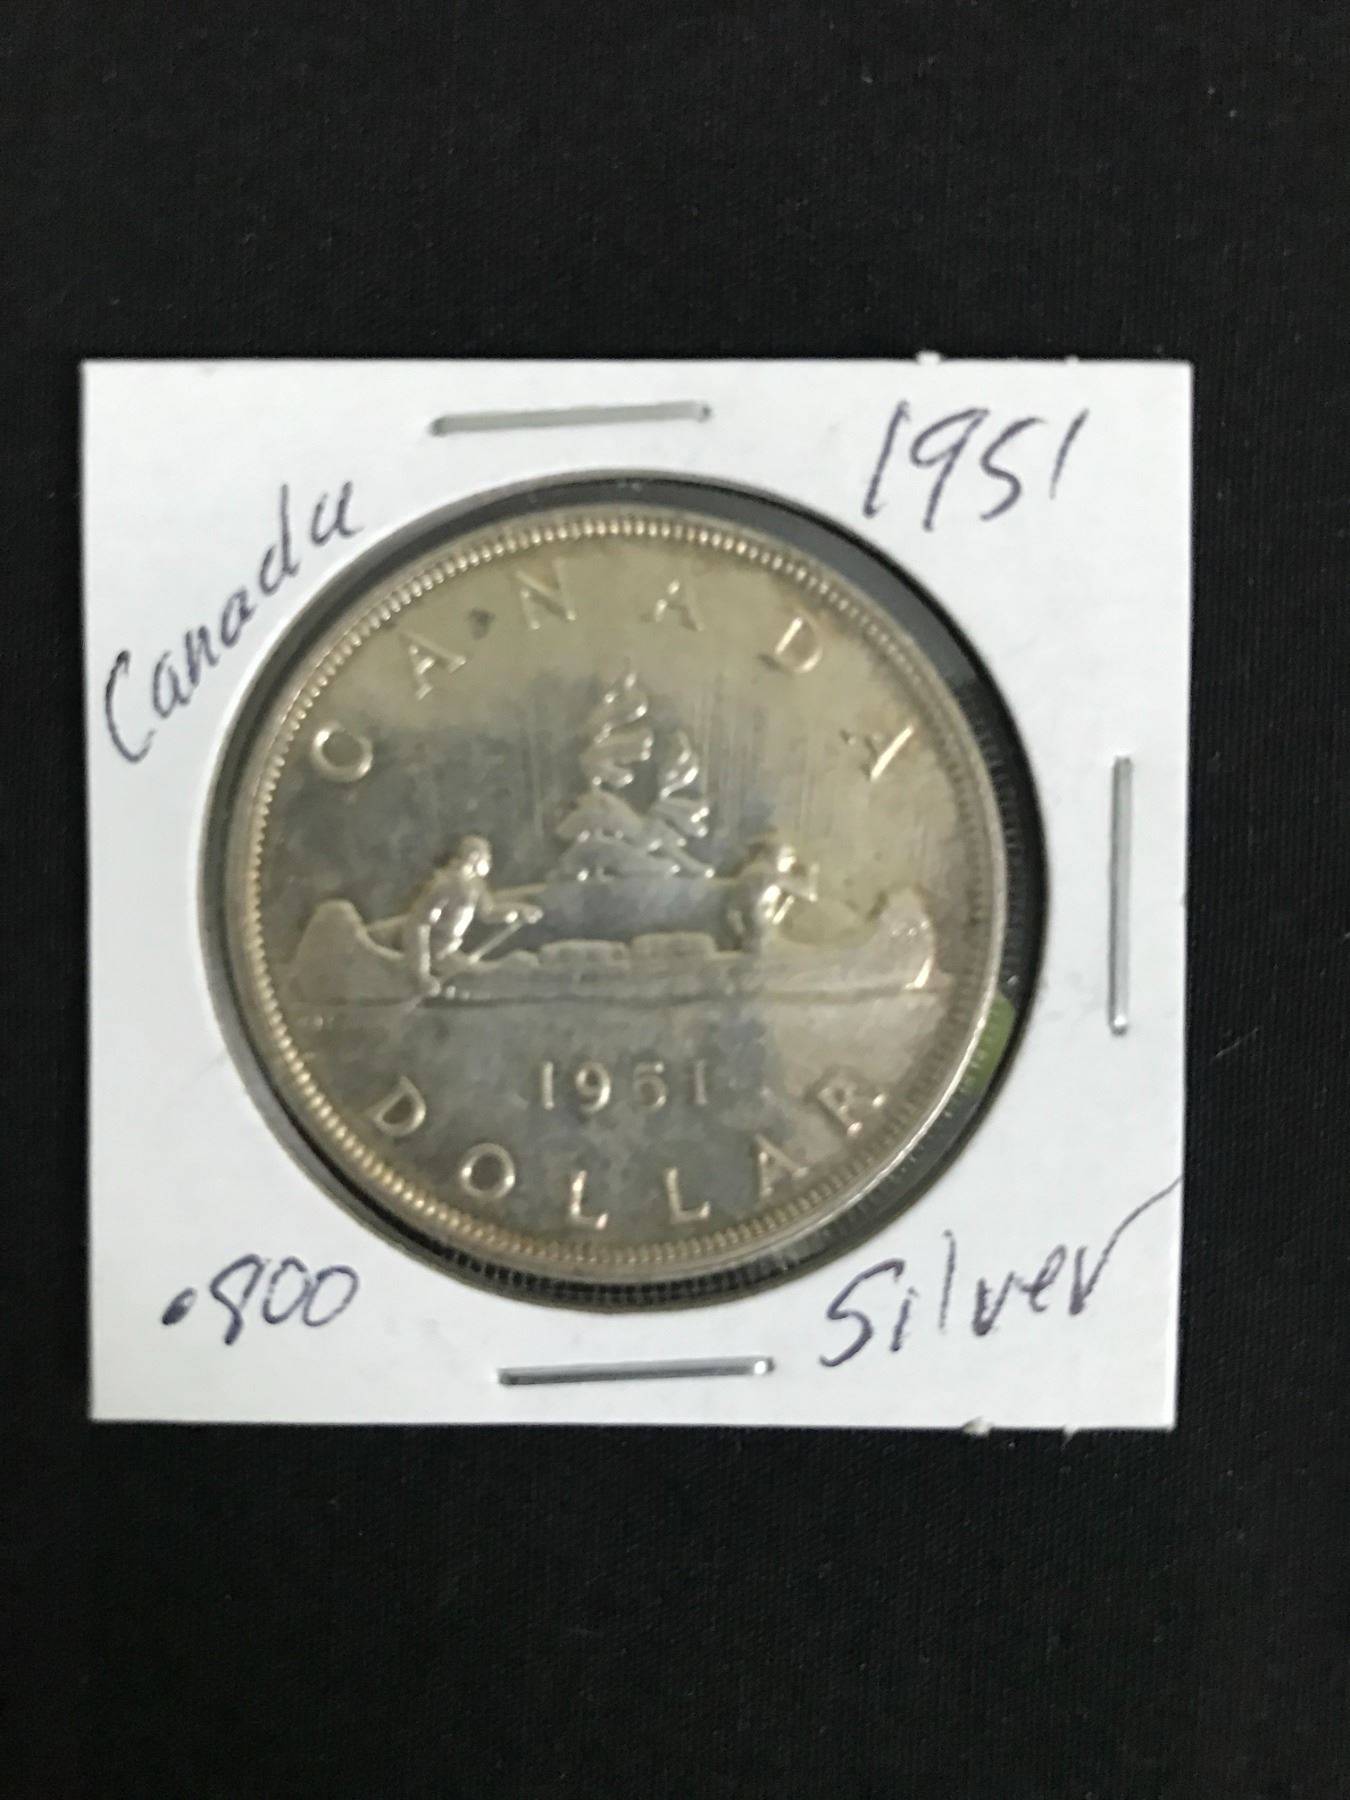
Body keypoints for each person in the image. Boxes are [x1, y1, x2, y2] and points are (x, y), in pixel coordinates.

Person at [402, 836, 539, 995]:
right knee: (481, 977)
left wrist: (518, 911)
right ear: (474, 856)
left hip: (451, 949)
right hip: (437, 953)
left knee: (483, 974)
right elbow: (419, 926)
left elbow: (488, 912)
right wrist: (421, 973)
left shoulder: (474, 884)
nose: (489, 862)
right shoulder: (444, 885)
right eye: (486, 857)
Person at [725, 834, 818, 951]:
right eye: (788, 856)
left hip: (750, 937)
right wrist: (811, 871)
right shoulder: (769, 874)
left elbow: (732, 914)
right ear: (777, 854)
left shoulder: (749, 872)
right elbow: (808, 893)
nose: (791, 862)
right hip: (763, 937)